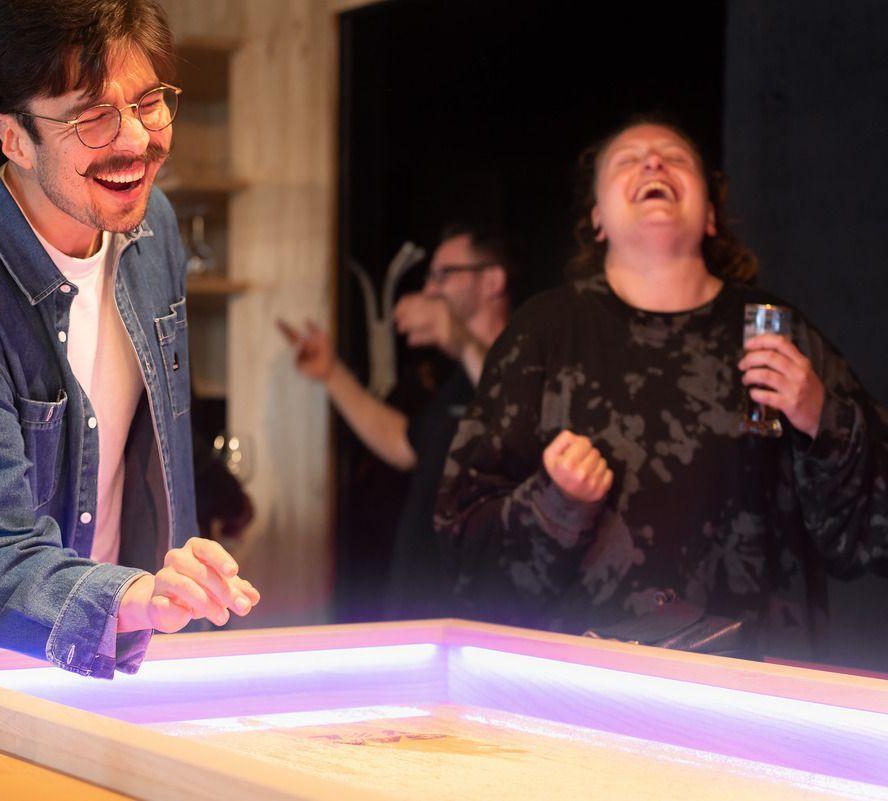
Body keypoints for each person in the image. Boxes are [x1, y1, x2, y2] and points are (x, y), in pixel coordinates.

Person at [0, 0, 258, 679]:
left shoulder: (152, 227)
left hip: (115, 650)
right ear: (14, 137)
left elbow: (151, 446)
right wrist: (131, 597)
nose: (135, 141)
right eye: (93, 116)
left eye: (148, 103)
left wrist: (171, 583)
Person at [433, 116, 888, 659]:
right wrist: (554, 504)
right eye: (628, 159)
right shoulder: (545, 332)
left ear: (712, 216)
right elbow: (462, 550)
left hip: (753, 695)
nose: (653, 163)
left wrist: (822, 419)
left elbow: (866, 538)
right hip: (587, 694)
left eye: (676, 158)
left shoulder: (774, 329)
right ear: (597, 219)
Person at [280, 224, 515, 617]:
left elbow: (509, 419)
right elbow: (405, 445)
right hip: (417, 606)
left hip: (476, 616)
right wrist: (331, 373)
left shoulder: (524, 360)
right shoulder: (456, 378)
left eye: (445, 275)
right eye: (430, 277)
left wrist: (457, 338)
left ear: (492, 280)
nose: (431, 290)